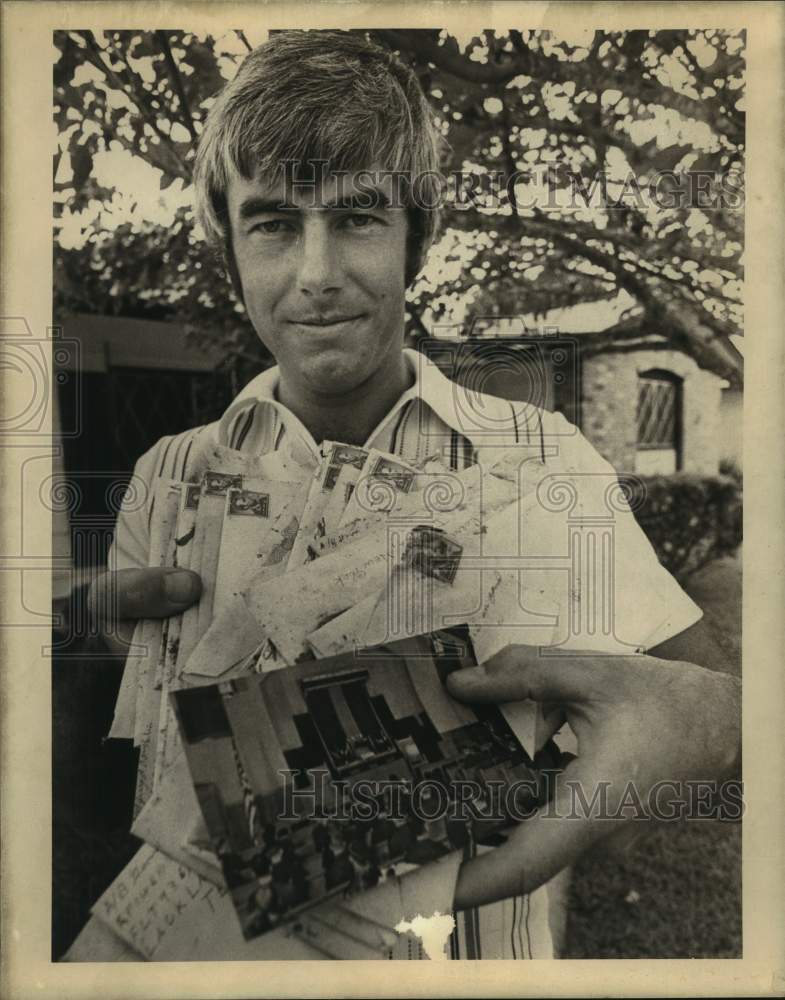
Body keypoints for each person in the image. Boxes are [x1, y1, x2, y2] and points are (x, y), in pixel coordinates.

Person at [88, 30, 741, 958]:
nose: (315, 275)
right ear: (228, 244)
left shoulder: (540, 459)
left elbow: (714, 738)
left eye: (357, 216)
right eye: (273, 221)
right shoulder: (167, 478)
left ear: (416, 239)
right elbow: (147, 740)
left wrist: (686, 741)